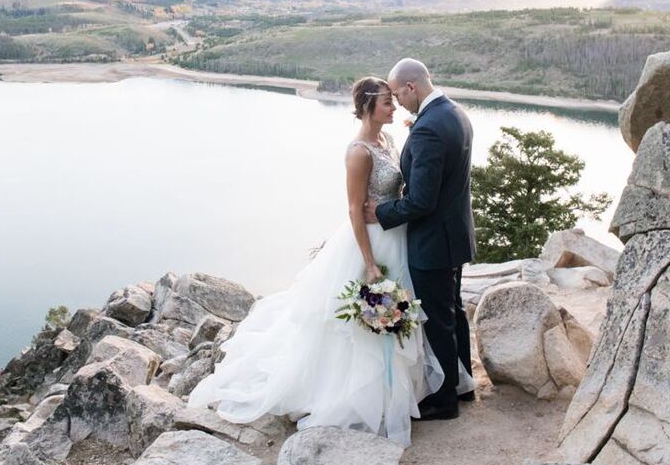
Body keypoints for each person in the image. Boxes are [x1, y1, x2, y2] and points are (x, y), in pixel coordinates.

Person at [188, 76, 469, 446]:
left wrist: (387, 208)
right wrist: (369, 263)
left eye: (394, 98)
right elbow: (355, 210)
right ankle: (371, 396)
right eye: (387, 101)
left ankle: (413, 389)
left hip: (397, 237)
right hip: (371, 245)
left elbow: (404, 187)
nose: (394, 106)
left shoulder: (387, 139)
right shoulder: (357, 152)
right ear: (369, 107)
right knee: (365, 327)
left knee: (411, 318)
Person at [366, 58, 476, 421]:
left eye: (398, 94)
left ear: (412, 87)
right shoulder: (455, 112)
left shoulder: (428, 128)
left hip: (433, 241)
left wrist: (379, 213)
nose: (397, 103)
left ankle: (444, 401)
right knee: (454, 312)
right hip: (456, 234)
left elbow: (421, 201)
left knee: (439, 320)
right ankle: (463, 385)